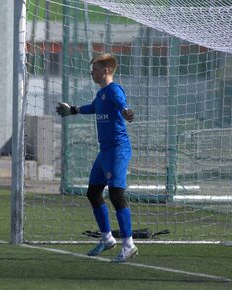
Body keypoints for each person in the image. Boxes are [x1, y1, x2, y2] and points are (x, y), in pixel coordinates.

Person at [56, 53, 137, 263]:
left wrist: (127, 111)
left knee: (117, 195)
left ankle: (128, 245)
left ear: (106, 71)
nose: (91, 73)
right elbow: (94, 107)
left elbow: (122, 104)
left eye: (94, 69)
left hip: (118, 150)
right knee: (93, 193)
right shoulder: (102, 95)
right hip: (105, 151)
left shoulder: (114, 90)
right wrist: (72, 110)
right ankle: (107, 238)